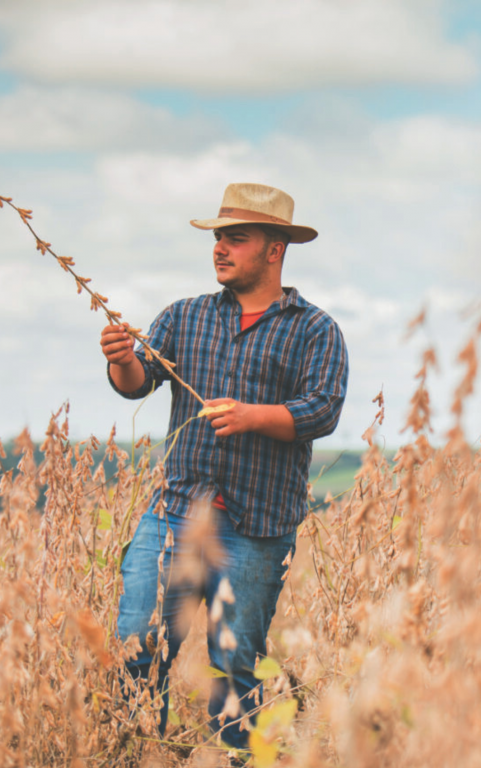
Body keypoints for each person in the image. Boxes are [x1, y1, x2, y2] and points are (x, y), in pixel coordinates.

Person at [100, 183, 349, 752]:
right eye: (217, 238)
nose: (220, 249)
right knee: (135, 648)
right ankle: (134, 756)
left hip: (256, 528)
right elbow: (138, 383)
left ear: (274, 249)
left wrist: (252, 416)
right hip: (170, 516)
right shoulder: (182, 317)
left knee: (235, 672)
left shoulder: (316, 329)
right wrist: (120, 364)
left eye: (235, 239)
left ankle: (237, 760)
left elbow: (323, 410)